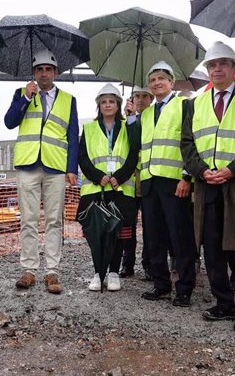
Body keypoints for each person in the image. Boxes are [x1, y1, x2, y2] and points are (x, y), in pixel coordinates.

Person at [181, 41, 235, 334]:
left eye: (223, 64)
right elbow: (187, 144)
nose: (217, 69)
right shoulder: (195, 104)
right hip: (208, 185)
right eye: (212, 65)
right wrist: (201, 171)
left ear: (234, 67)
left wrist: (233, 170)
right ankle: (223, 303)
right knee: (212, 248)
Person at [4, 49, 79, 294]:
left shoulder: (69, 100)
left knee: (54, 221)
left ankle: (52, 271)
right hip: (28, 165)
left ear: (55, 72)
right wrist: (25, 98)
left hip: (55, 167)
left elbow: (72, 136)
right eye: (39, 69)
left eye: (48, 69)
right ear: (34, 73)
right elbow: (9, 122)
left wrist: (71, 169)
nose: (44, 73)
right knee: (28, 219)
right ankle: (29, 269)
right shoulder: (22, 94)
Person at [139, 61, 197, 307]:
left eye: (161, 78)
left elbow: (192, 141)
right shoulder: (146, 113)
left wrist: (187, 176)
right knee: (154, 237)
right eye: (152, 80)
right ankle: (161, 285)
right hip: (150, 183)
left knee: (180, 237)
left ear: (172, 82)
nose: (156, 83)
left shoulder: (184, 105)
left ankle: (184, 288)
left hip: (174, 182)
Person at [78, 84, 140, 291]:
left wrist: (120, 177)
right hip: (96, 188)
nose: (107, 105)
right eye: (103, 102)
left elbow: (133, 153)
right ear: (99, 105)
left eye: (111, 101)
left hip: (120, 188)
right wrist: (98, 177)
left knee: (118, 231)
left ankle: (113, 271)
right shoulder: (89, 128)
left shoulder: (128, 126)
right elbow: (83, 158)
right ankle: (98, 272)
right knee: (97, 233)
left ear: (118, 104)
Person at [120, 86, 154, 280]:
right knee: (128, 225)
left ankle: (149, 264)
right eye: (137, 96)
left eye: (144, 96)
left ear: (150, 99)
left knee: (150, 226)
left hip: (147, 178)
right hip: (129, 179)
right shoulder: (125, 121)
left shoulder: (153, 119)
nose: (140, 100)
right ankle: (128, 263)